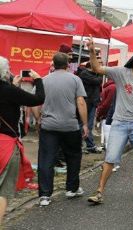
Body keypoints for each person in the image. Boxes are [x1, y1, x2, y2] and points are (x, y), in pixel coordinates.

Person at [85, 37, 133, 204]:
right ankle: (99, 192)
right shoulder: (120, 72)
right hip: (119, 123)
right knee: (110, 158)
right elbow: (97, 68)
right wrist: (91, 51)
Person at [36, 52, 89, 206]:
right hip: (70, 125)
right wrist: (85, 124)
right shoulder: (75, 79)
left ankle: (45, 195)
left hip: (49, 125)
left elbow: (36, 103)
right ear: (67, 64)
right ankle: (72, 189)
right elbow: (80, 102)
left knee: (46, 159)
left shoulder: (44, 80)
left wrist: (39, 118)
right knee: (73, 156)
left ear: (53, 64)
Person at [0, 57, 45, 223]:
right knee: (2, 191)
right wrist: (38, 80)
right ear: (5, 72)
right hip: (4, 145)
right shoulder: (8, 90)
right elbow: (38, 99)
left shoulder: (9, 90)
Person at [79, 61, 103, 154]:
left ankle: (90, 145)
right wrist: (100, 74)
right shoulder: (84, 73)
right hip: (85, 103)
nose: (100, 65)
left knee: (89, 125)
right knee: (82, 125)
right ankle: (79, 146)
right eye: (99, 63)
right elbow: (97, 81)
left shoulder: (94, 74)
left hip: (92, 103)